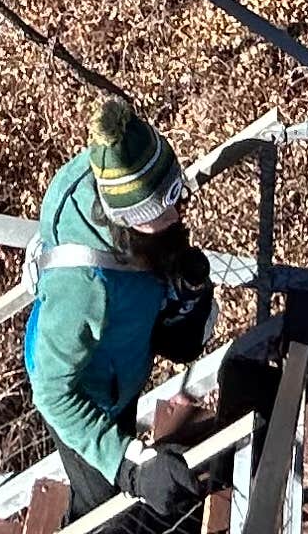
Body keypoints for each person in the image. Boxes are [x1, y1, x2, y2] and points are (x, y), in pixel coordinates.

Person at [25, 98, 213, 520]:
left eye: (176, 190)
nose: (178, 209)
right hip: (85, 396)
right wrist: (127, 463)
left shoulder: (107, 172)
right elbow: (54, 394)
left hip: (119, 373)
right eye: (161, 205)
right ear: (129, 221)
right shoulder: (83, 289)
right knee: (103, 508)